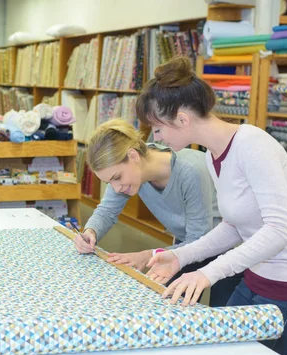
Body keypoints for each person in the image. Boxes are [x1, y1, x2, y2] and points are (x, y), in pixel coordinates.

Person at [139, 56, 287, 355]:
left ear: (183, 119)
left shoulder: (253, 145)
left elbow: (281, 229)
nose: (156, 138)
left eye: (157, 129)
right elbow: (233, 226)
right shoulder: (211, 156)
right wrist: (180, 256)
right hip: (256, 281)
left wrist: (207, 273)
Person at [74, 118, 242, 307]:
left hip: (230, 247)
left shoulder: (189, 171)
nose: (116, 187)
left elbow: (199, 240)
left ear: (133, 156)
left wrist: (147, 255)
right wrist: (90, 232)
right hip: (187, 243)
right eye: (109, 183)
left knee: (224, 314)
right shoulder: (126, 172)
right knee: (163, 304)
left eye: (117, 178)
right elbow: (106, 211)